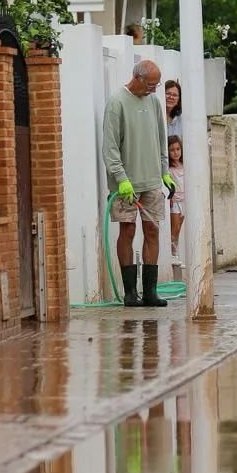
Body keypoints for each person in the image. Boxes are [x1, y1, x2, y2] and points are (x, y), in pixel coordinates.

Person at [102, 60, 177, 307]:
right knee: (128, 230)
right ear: (137, 77)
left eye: (157, 85)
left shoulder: (153, 102)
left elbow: (160, 139)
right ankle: (130, 293)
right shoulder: (117, 102)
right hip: (126, 185)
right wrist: (121, 180)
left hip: (152, 181)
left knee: (153, 230)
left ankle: (150, 292)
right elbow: (110, 148)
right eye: (151, 84)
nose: (155, 90)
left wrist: (164, 172)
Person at [167, 135, 186, 279]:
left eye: (178, 149)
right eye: (172, 150)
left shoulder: (185, 166)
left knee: (179, 229)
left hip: (184, 201)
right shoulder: (169, 169)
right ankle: (173, 254)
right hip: (175, 202)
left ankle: (176, 253)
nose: (176, 152)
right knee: (175, 228)